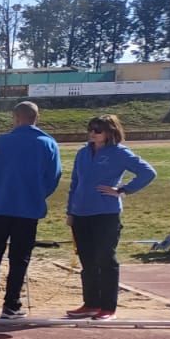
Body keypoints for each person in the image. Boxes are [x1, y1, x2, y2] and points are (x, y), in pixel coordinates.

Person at [65, 114, 157, 321]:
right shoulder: (82, 153)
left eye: (97, 130)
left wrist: (123, 190)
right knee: (87, 260)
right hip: (80, 214)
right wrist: (70, 211)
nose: (92, 133)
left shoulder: (119, 153)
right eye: (90, 128)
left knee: (105, 258)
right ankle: (90, 303)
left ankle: (108, 307)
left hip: (105, 213)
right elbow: (75, 183)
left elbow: (148, 173)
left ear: (110, 132)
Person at [0, 101, 61, 319]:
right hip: (28, 208)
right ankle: (12, 305)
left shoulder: (0, 142)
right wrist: (37, 194)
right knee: (20, 258)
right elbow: (53, 177)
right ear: (37, 117)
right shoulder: (48, 143)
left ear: (15, 117)